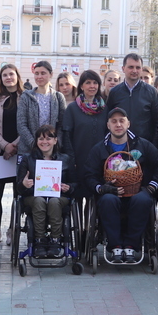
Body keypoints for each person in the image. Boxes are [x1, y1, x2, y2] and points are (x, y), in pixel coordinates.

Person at [84, 107, 158, 263]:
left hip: (138, 191)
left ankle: (131, 245)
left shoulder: (142, 144)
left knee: (143, 200)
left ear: (128, 123)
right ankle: (115, 245)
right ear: (108, 125)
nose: (118, 124)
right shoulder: (99, 149)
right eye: (114, 121)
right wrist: (101, 188)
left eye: (121, 121)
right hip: (110, 193)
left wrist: (152, 186)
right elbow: (89, 175)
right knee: (108, 200)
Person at [17, 125, 75, 258]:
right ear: (36, 141)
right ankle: (39, 240)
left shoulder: (65, 159)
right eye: (41, 138)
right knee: (39, 201)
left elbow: (75, 183)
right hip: (33, 196)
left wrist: (69, 187)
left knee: (54, 202)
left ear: (55, 141)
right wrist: (24, 184)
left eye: (49, 138)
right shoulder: (27, 158)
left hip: (59, 197)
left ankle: (55, 239)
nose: (45, 141)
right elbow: (18, 187)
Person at [62, 70, 108, 216]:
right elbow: (67, 135)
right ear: (81, 86)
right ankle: (80, 230)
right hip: (79, 160)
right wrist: (71, 159)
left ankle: (92, 230)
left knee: (95, 197)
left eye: (95, 83)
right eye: (88, 83)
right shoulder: (73, 109)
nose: (92, 86)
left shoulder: (105, 109)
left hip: (100, 161)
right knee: (79, 196)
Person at [0, 63, 23, 246]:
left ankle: (12, 229)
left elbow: (27, 125)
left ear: (17, 76)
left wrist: (14, 145)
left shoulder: (26, 97)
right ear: (1, 79)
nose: (8, 77)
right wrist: (4, 145)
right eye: (5, 75)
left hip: (20, 153)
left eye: (11, 74)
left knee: (18, 196)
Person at [106, 53, 158, 144]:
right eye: (131, 67)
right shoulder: (115, 92)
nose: (134, 70)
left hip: (144, 146)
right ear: (123, 69)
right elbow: (108, 119)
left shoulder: (151, 92)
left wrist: (153, 146)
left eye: (138, 67)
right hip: (119, 145)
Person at [17, 60, 66, 156]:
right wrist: (34, 144)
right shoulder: (26, 97)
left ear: (51, 74)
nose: (39, 77)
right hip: (28, 150)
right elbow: (21, 124)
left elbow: (61, 124)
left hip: (51, 151)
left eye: (43, 73)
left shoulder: (58, 97)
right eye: (36, 73)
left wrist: (54, 144)